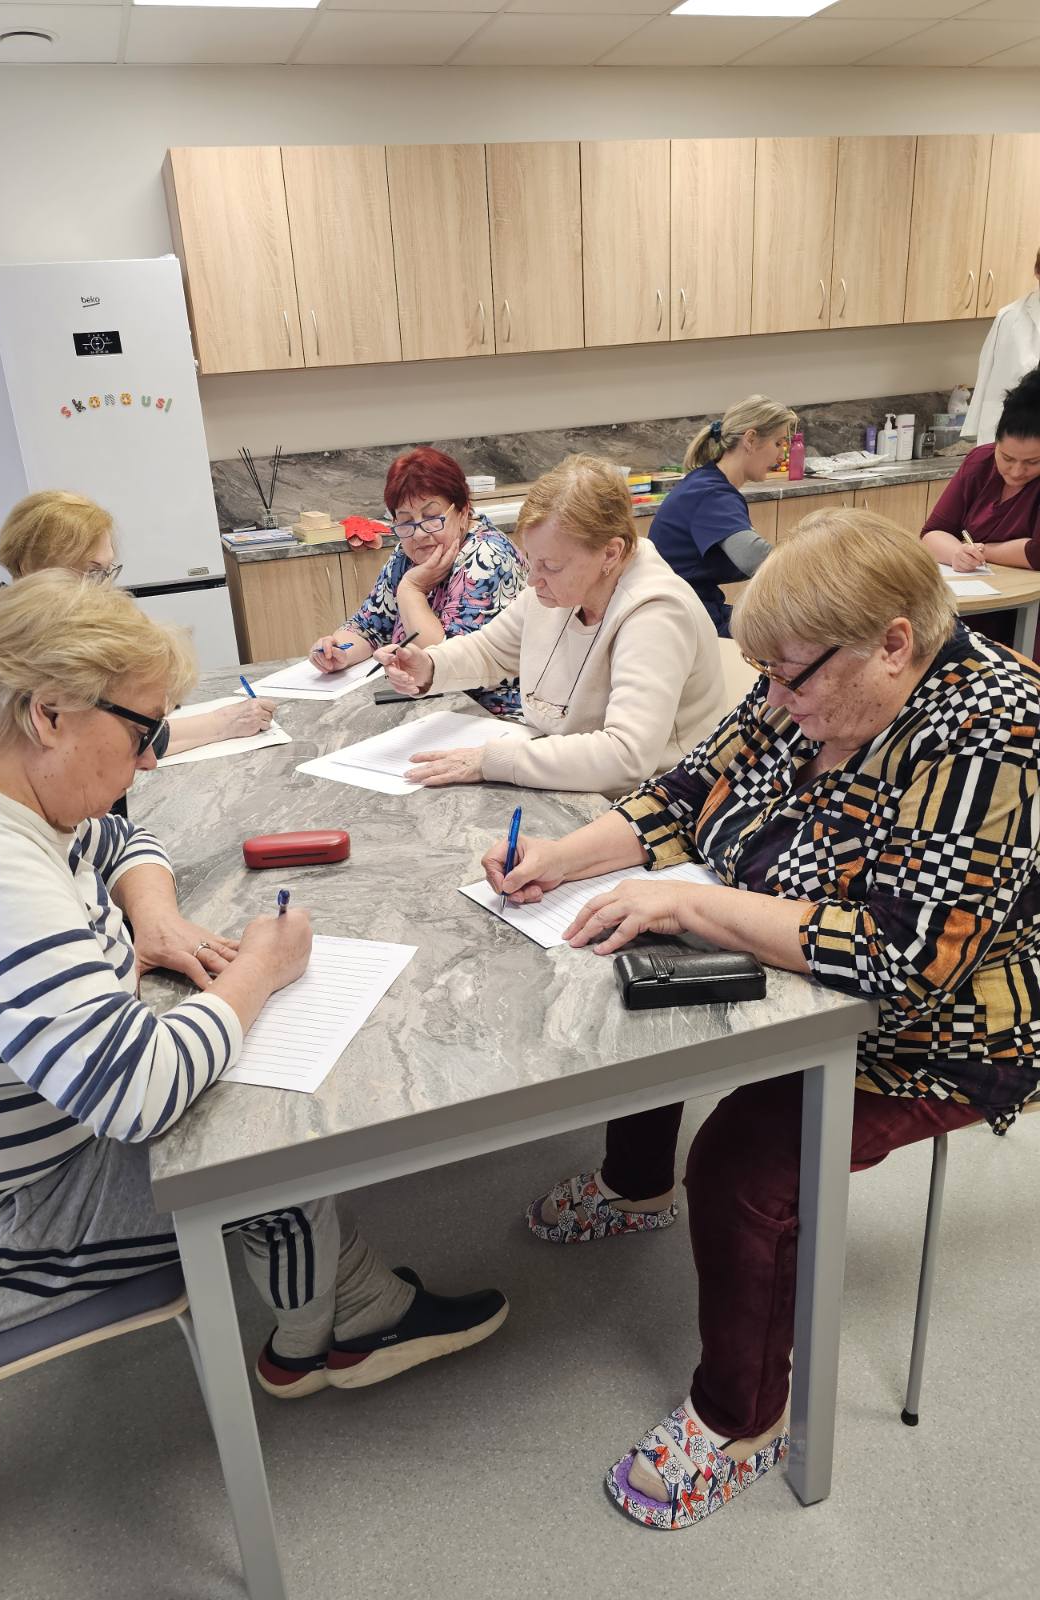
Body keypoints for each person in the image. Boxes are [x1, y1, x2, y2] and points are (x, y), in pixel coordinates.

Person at [481, 511, 1040, 1528]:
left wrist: (695, 905)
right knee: (639, 988)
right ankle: (636, 1184)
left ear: (894, 644)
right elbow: (687, 792)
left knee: (746, 1162)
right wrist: (562, 859)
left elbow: (906, 960)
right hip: (796, 957)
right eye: (766, 675)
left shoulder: (994, 733)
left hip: (946, 1030)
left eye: (791, 679)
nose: (775, 700)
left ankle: (742, 1418)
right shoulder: (810, 674)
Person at [0, 572, 507, 1394]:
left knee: (227, 1059)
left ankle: (336, 1315)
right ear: (49, 714)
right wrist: (261, 970)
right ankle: (338, 1329)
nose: (153, 756)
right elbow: (138, 1091)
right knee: (260, 1129)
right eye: (142, 730)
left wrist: (151, 918)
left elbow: (123, 840)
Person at [377, 454, 726, 799]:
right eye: (532, 560)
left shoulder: (656, 614)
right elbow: (490, 651)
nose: (533, 580)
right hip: (579, 782)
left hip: (662, 800)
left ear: (610, 553)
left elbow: (625, 755)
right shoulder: (564, 588)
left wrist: (492, 760)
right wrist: (430, 665)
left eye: (551, 566)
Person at [0, 490, 273, 757]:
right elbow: (121, 738)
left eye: (108, 571)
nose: (105, 588)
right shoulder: (6, 641)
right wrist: (222, 723)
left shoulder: (21, 618)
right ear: (33, 567)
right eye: (92, 572)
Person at [308, 446, 525, 717]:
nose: (419, 533)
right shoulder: (407, 553)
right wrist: (338, 651)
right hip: (431, 706)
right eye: (406, 521)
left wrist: (411, 590)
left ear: (462, 511)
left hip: (493, 714)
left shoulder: (488, 556)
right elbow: (369, 627)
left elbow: (446, 664)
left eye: (432, 517)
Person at [648, 395, 796, 636]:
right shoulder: (712, 495)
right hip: (683, 620)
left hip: (690, 609)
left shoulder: (706, 481)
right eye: (778, 443)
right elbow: (756, 558)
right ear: (750, 439)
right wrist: (818, 570)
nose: (781, 455)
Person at [922, 367, 1040, 573]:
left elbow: (1036, 554)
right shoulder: (980, 462)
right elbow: (933, 532)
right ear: (997, 442)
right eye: (1007, 458)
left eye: (1033, 462)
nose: (1016, 472)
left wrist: (981, 551)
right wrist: (957, 553)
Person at [962, 248, 1040, 446]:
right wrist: (977, 436)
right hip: (1010, 434)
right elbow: (986, 377)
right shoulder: (1010, 317)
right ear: (1037, 272)